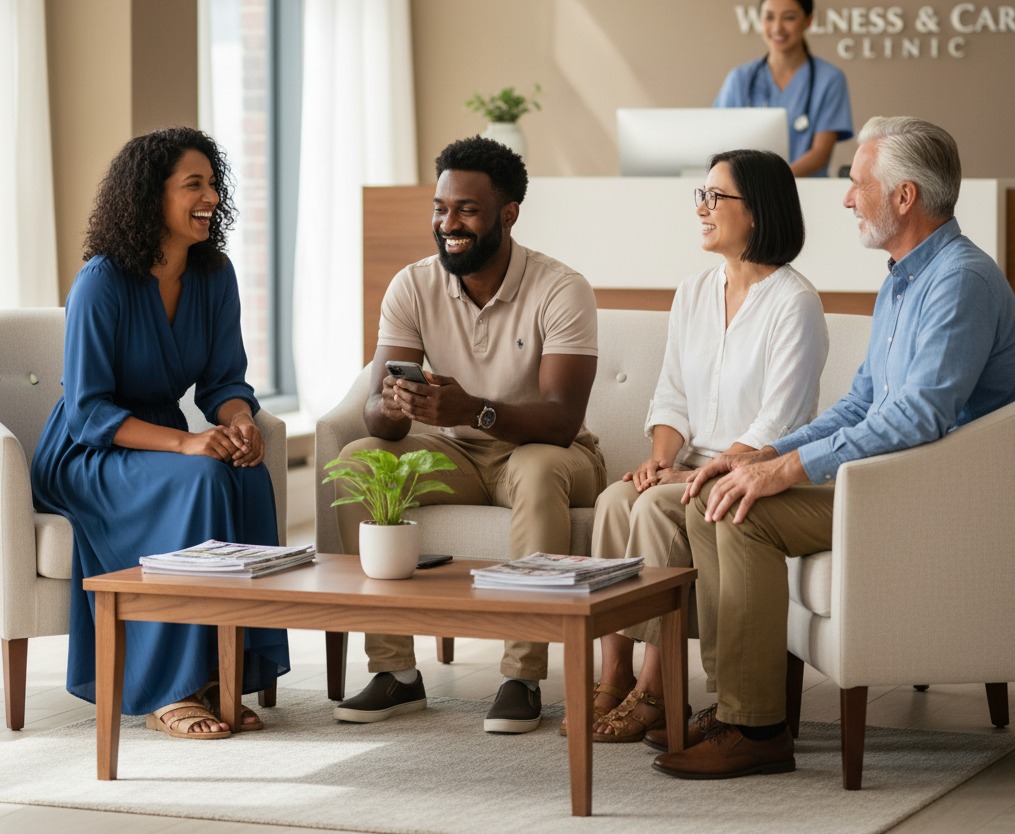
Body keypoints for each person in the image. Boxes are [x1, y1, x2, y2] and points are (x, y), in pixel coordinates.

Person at [650, 116, 1015, 780]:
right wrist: (759, 457)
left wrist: (785, 471)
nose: (848, 198)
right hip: (891, 485)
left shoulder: (959, 280)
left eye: (857, 183)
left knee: (749, 513)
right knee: (716, 491)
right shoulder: (905, 278)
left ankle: (757, 731)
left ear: (903, 197)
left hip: (936, 501)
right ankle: (737, 706)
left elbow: (918, 415)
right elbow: (861, 403)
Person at [331, 136, 606, 734]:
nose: (448, 223)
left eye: (467, 211)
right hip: (455, 451)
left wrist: (473, 407)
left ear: (508, 214)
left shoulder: (562, 288)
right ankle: (396, 674)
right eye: (439, 208)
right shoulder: (413, 285)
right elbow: (374, 413)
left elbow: (561, 417)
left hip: (548, 451)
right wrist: (398, 408)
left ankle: (521, 677)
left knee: (534, 470)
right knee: (362, 458)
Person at [31, 128, 290, 739]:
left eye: (213, 183)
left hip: (162, 439)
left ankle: (227, 675)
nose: (211, 196)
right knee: (201, 476)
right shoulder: (102, 280)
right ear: (152, 197)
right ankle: (167, 690)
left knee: (244, 475)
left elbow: (225, 381)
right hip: (88, 449)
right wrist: (184, 442)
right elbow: (88, 410)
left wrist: (241, 423)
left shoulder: (214, 274)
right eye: (193, 184)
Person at [568, 150, 828, 743]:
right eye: (701, 196)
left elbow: (777, 422)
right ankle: (615, 675)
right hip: (690, 464)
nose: (703, 209)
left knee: (660, 506)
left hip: (752, 469)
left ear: (757, 213)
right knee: (615, 501)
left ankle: (660, 691)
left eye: (717, 198)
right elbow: (672, 394)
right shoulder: (692, 292)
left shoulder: (794, 302)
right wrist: (663, 457)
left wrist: (688, 479)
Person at [714, 0, 853, 177]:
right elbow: (720, 142)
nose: (777, 28)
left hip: (807, 193)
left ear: (808, 20)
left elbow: (820, 153)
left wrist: (775, 183)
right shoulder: (740, 78)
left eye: (789, 18)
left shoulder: (830, 79)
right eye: (769, 17)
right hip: (748, 194)